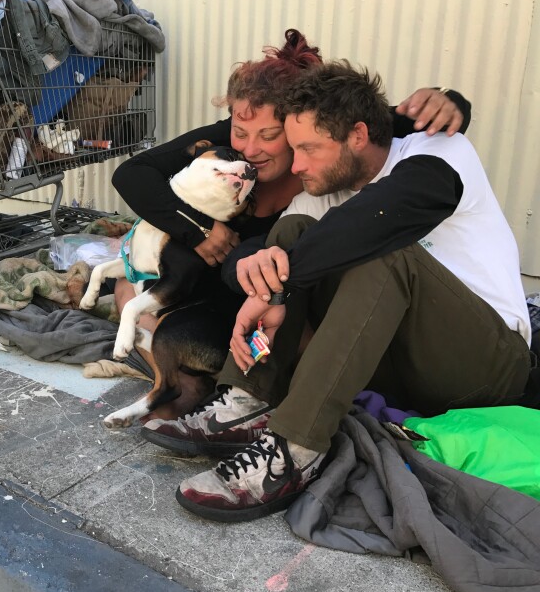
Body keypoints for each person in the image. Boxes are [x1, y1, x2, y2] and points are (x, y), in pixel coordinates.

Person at [155, 60, 531, 523]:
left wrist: (277, 285)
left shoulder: (438, 154)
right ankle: (246, 402)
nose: (297, 165)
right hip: (397, 367)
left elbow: (377, 220)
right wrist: (255, 270)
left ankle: (296, 449)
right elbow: (258, 254)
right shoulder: (325, 188)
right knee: (292, 231)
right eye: (294, 148)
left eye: (310, 149)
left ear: (357, 134)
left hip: (488, 366)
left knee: (382, 253)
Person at [111, 29, 469, 412]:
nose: (249, 150)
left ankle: (236, 386)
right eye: (239, 131)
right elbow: (132, 175)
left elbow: (394, 124)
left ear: (302, 125)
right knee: (125, 286)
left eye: (270, 136)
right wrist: (199, 230)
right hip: (205, 280)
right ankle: (178, 372)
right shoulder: (234, 144)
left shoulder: (319, 168)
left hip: (269, 293)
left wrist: (451, 101)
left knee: (290, 312)